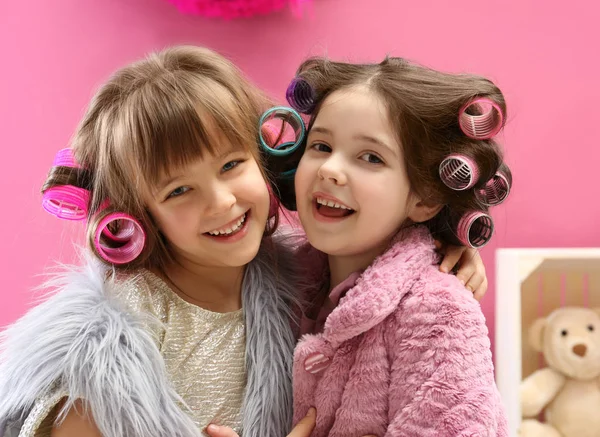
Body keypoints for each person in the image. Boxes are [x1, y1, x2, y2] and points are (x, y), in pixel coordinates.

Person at [0, 47, 490, 437]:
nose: (221, 203)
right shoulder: (114, 341)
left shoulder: (301, 278)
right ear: (141, 214)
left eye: (232, 165)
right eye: (178, 190)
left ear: (264, 156)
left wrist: (439, 242)